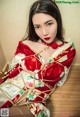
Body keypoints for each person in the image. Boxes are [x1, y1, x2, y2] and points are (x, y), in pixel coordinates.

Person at [0, 0, 76, 117]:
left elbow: (60, 81)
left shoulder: (67, 52)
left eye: (49, 24)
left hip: (33, 105)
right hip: (7, 90)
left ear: (58, 21)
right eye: (37, 27)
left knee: (4, 114)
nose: (44, 32)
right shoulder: (25, 46)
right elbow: (12, 72)